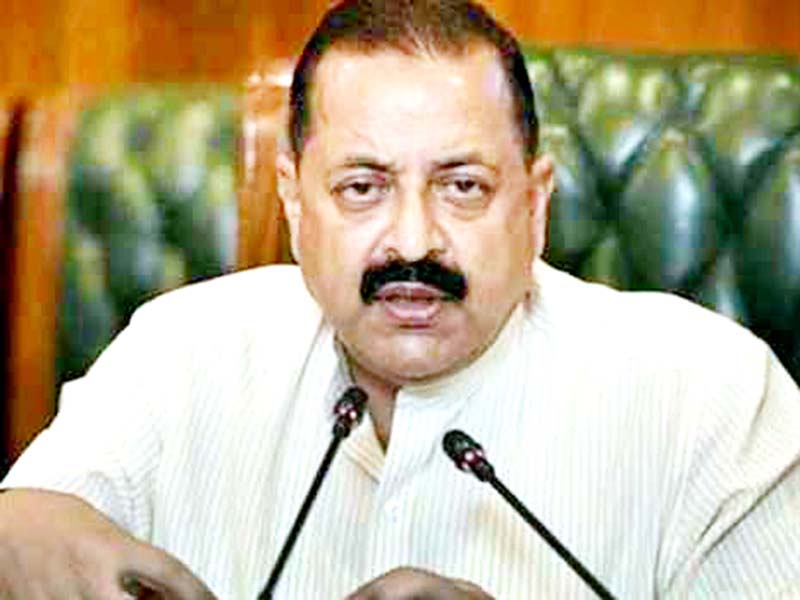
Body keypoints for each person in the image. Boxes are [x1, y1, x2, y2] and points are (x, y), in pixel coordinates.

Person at [2, 0, 799, 597]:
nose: (413, 241)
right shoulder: (178, 354)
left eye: (463, 186)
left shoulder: (715, 402)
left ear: (535, 205)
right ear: (294, 203)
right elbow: (30, 530)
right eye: (363, 187)